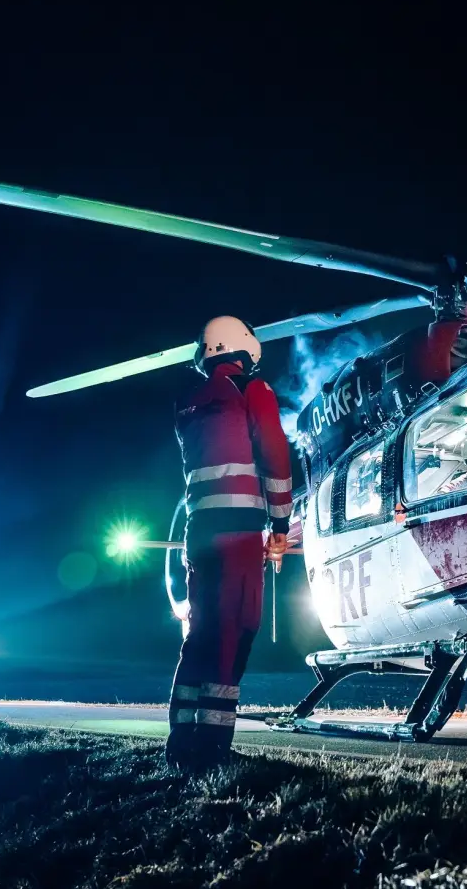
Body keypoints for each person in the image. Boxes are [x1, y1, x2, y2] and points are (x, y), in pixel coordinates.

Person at [166, 315, 293, 772]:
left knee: (200, 634)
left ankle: (182, 738)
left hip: (197, 533)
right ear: (245, 348)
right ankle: (214, 747)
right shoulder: (253, 392)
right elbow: (275, 457)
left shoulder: (189, 401)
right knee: (236, 629)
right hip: (240, 533)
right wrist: (281, 522)